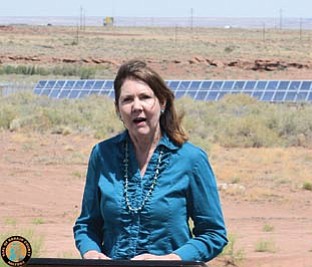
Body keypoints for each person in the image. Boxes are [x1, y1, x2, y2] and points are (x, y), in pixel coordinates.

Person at [73, 60, 228, 262]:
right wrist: (91, 253)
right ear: (118, 109)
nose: (136, 106)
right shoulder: (102, 154)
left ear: (162, 102)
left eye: (145, 97)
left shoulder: (191, 159)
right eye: (127, 100)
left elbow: (213, 233)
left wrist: (173, 259)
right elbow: (87, 225)